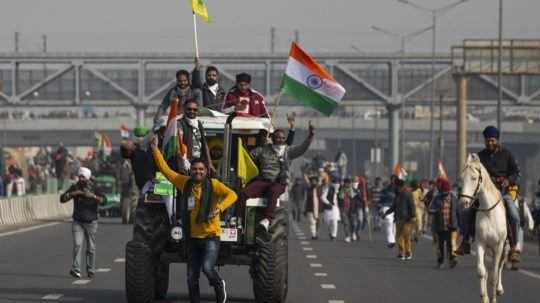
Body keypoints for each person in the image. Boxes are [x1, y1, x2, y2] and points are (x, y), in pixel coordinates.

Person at [150, 136, 237, 303]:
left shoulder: (214, 185)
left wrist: (219, 208)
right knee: (191, 277)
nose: (198, 172)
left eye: (201, 169)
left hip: (211, 236)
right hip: (192, 238)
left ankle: (219, 286)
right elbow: (166, 171)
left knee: (207, 268)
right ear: (191, 171)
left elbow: (232, 195)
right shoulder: (185, 183)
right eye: (195, 169)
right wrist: (155, 151)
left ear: (206, 171)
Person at [457, 125, 521, 262]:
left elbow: (516, 172)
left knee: (514, 215)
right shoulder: (479, 157)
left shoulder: (507, 154)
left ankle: (514, 247)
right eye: (487, 140)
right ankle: (465, 241)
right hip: (483, 194)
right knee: (466, 212)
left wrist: (508, 181)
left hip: (503, 192)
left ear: (497, 140)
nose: (490, 142)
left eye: (492, 140)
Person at [238, 122, 315, 231]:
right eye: (277, 137)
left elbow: (303, 148)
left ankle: (267, 220)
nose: (280, 139)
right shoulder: (263, 150)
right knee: (244, 193)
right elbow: (247, 157)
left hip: (279, 183)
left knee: (273, 192)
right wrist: (242, 145)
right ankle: (239, 220)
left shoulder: (289, 151)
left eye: (282, 138)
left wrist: (310, 135)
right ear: (272, 138)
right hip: (263, 181)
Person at [60, 167, 104, 279]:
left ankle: (90, 269)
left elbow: (104, 200)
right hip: (77, 221)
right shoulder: (75, 187)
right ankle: (76, 269)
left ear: (88, 177)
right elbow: (62, 199)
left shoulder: (95, 187)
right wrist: (73, 194)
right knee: (77, 245)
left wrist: (92, 196)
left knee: (91, 248)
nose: (81, 178)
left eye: (83, 176)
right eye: (80, 176)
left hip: (91, 222)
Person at [178, 99, 216, 175]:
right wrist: (182, 161)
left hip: (199, 161)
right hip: (187, 162)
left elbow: (204, 143)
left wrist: (209, 162)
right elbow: (178, 144)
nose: (192, 111)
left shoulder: (198, 123)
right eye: (189, 109)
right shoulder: (180, 123)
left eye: (194, 109)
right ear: (184, 109)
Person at [428, 177, 459, 269]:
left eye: (446, 192)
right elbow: (430, 209)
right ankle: (440, 261)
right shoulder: (436, 198)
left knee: (451, 244)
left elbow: (458, 211)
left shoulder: (454, 198)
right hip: (439, 226)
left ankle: (452, 259)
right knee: (440, 245)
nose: (445, 194)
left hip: (451, 225)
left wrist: (460, 225)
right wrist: (436, 211)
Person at [384, 176, 416, 260]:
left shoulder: (407, 193)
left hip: (407, 219)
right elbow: (394, 206)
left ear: (399, 186)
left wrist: (413, 216)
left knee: (406, 236)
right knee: (399, 237)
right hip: (398, 218)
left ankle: (408, 252)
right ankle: (401, 253)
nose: (394, 187)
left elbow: (412, 205)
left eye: (396, 185)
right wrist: (386, 213)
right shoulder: (397, 194)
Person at [506, 185, 534, 269]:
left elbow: (527, 213)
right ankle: (505, 259)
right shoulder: (504, 200)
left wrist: (531, 225)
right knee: (506, 245)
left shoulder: (521, 201)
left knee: (518, 245)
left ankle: (514, 262)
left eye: (514, 190)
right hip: (507, 225)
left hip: (519, 227)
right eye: (510, 189)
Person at [119, 143, 139, 224]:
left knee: (134, 197)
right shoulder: (125, 162)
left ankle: (133, 216)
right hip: (127, 183)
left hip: (134, 182)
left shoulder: (137, 158)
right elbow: (122, 173)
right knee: (127, 197)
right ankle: (130, 216)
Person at [338, 178, 358, 243]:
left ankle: (353, 233)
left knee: (353, 223)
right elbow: (339, 198)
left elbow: (357, 198)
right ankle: (347, 236)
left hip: (352, 209)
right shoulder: (341, 190)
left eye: (349, 183)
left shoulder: (354, 190)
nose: (347, 184)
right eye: (346, 183)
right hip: (343, 209)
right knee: (345, 223)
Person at [379, 179, 397, 248]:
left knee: (394, 225)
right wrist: (380, 208)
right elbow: (381, 200)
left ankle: (394, 240)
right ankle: (391, 241)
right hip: (386, 208)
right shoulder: (384, 190)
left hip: (396, 208)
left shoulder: (398, 190)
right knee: (389, 223)